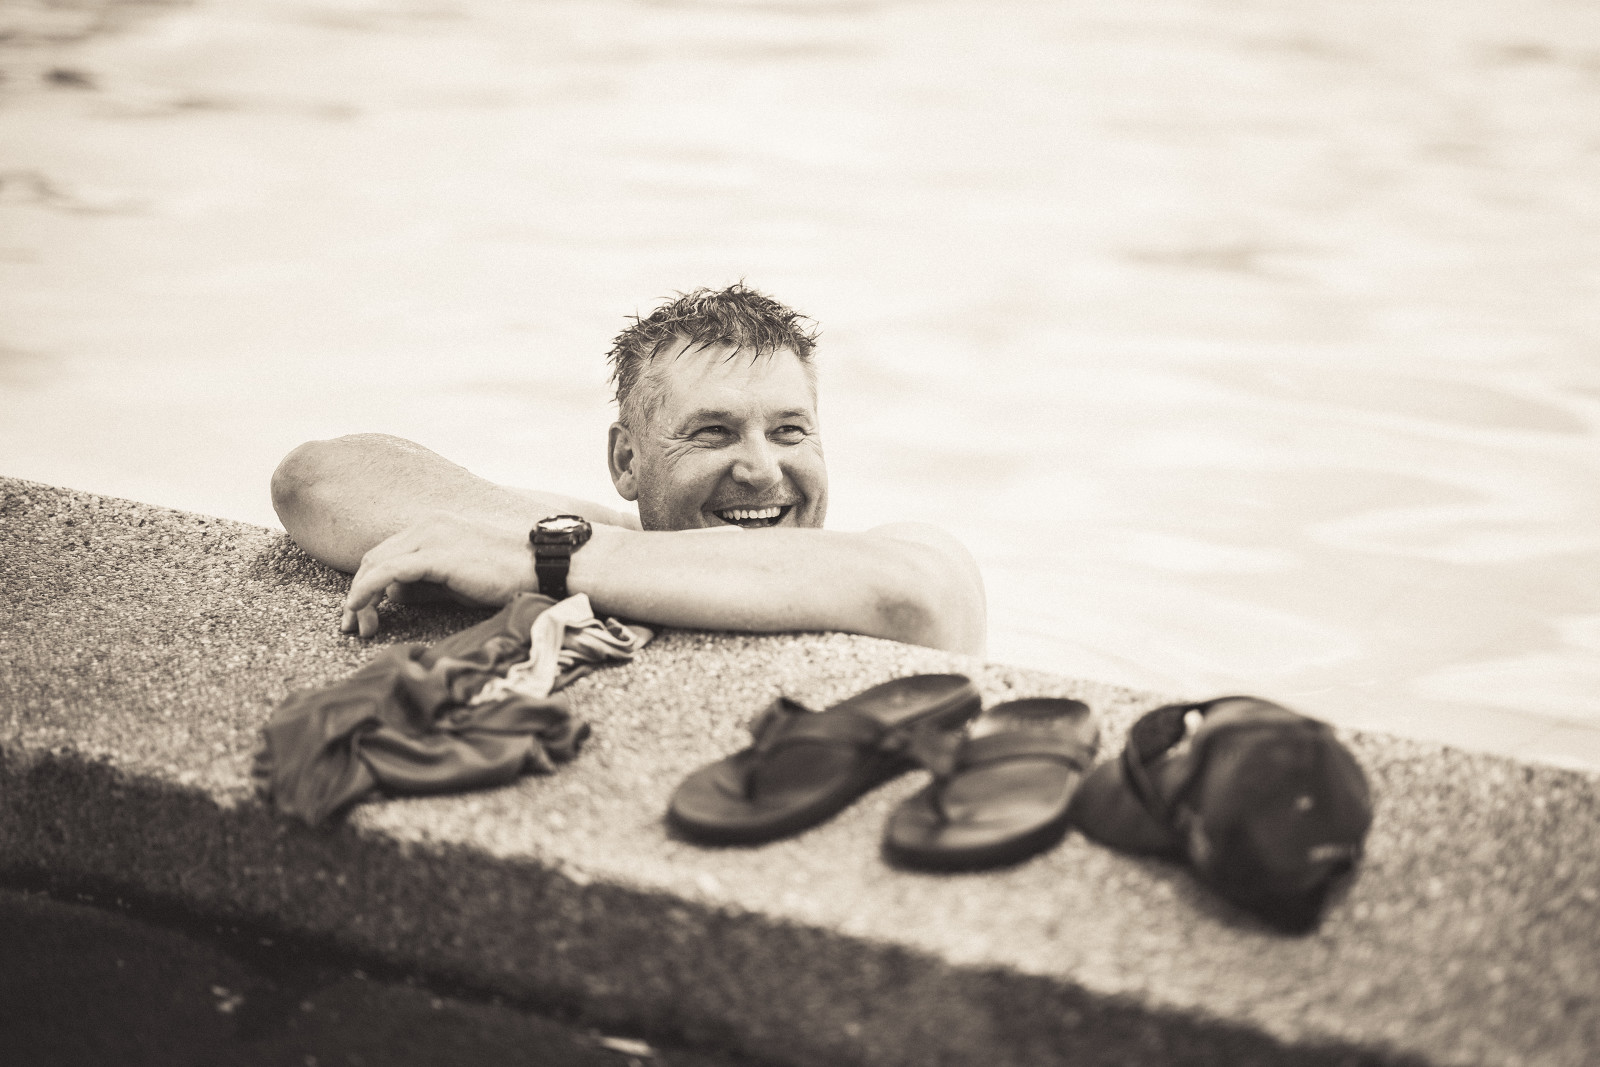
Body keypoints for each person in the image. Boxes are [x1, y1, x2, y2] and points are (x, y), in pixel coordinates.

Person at [271, 284, 987, 655]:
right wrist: (557, 554)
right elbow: (317, 477)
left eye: (789, 431)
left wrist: (548, 563)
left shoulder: (895, 554)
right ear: (626, 460)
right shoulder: (615, 539)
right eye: (713, 432)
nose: (762, 469)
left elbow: (912, 598)